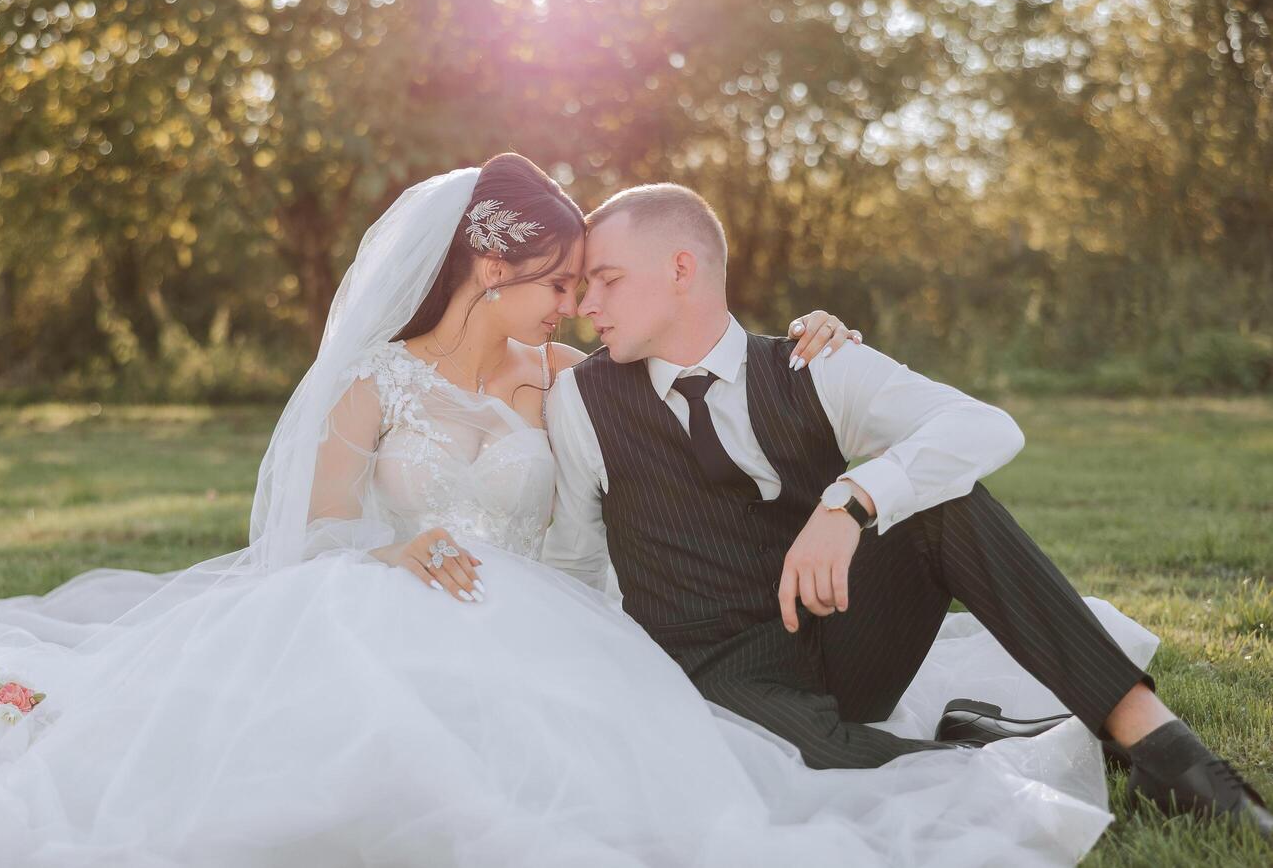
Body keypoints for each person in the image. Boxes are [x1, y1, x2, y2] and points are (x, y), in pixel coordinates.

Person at [0, 156, 1154, 866]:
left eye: (587, 281)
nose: (574, 302)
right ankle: (950, 741)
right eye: (559, 278)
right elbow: (315, 535)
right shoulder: (371, 393)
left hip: (575, 614)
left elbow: (681, 384)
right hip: (432, 597)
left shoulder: (568, 376)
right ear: (490, 267)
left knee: (692, 746)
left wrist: (819, 367)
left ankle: (1084, 733)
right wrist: (398, 545)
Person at [541, 181, 1271, 837]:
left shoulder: (814, 361)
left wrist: (851, 500)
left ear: (680, 269)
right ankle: (980, 742)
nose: (585, 306)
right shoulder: (583, 399)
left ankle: (1165, 750)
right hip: (722, 678)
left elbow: (987, 427)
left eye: (606, 280)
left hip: (844, 639)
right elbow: (572, 564)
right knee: (855, 780)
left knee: (943, 505)